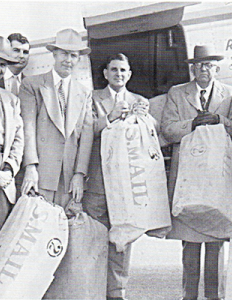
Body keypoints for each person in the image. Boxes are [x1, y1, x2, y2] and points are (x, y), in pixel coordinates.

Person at [161, 45, 232, 300]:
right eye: (198, 65)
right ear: (192, 68)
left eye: (208, 64)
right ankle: (189, 296)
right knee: (190, 244)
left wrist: (220, 121)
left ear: (217, 68)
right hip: (188, 180)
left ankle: (214, 296)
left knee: (215, 242)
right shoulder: (177, 93)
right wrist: (191, 124)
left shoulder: (231, 94)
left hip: (216, 179)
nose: (203, 69)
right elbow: (168, 130)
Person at [83, 53, 149, 300]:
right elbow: (84, 131)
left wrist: (145, 117)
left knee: (122, 240)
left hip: (126, 185)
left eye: (123, 70)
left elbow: (150, 137)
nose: (119, 74)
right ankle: (93, 291)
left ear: (129, 74)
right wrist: (108, 118)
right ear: (105, 73)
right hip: (98, 182)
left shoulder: (139, 100)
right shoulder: (92, 98)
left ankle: (117, 292)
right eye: (114, 70)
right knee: (94, 239)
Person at [19, 28, 94, 208]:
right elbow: (27, 129)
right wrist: (30, 167)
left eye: (74, 55)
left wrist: (79, 174)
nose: (68, 60)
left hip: (68, 179)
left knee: (64, 230)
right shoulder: (32, 85)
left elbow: (86, 136)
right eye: (64, 54)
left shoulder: (84, 93)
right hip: (41, 174)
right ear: (54, 53)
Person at [0, 36, 24, 241]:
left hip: (3, 189)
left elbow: (18, 140)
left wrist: (9, 169)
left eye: (2, 64)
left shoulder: (10, 100)